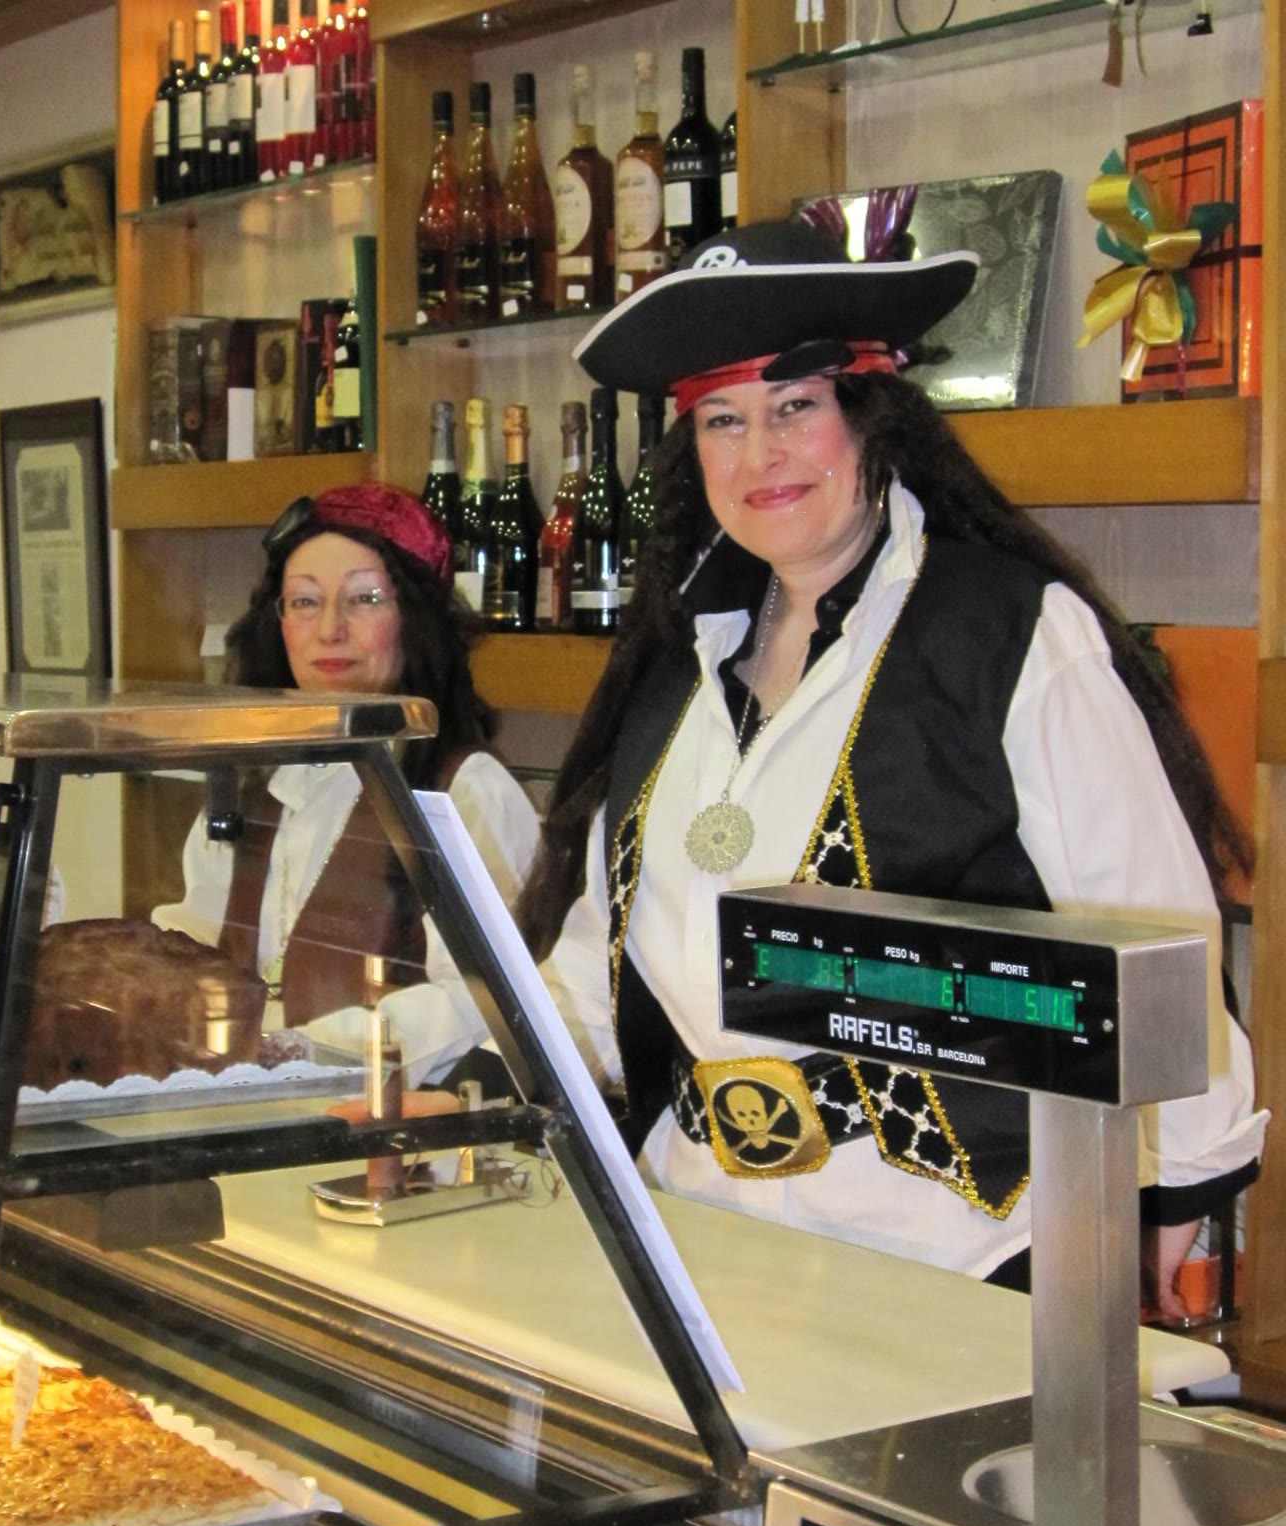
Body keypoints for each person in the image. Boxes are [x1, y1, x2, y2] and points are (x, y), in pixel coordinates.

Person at [523, 219, 1266, 1312]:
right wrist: (453, 1060)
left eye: (795, 408)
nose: (760, 455)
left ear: (872, 416)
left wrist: (1178, 1188)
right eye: (724, 420)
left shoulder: (1006, 630)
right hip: (701, 1231)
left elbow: (1154, 926)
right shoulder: (674, 660)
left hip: (958, 1249)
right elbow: (602, 959)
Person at [155, 483, 539, 1088]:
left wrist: (309, 1051)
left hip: (393, 1125)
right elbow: (199, 935)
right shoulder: (247, 783)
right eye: (305, 602)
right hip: (244, 1112)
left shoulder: (465, 791)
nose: (330, 629)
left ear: (415, 620)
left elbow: (485, 997)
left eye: (364, 599)